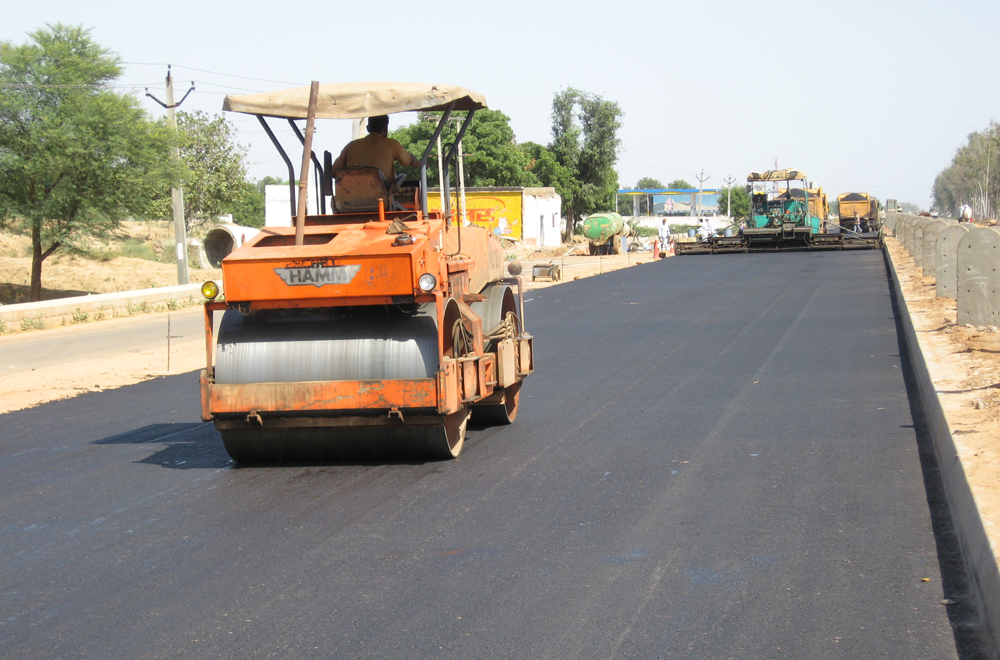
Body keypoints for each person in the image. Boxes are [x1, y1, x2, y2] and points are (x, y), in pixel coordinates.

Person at [330, 115, 421, 186]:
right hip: (381, 200)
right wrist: (423, 164)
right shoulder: (392, 145)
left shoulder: (350, 147)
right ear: (385, 129)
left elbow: (334, 172)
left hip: (349, 201)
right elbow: (408, 160)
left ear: (368, 128)